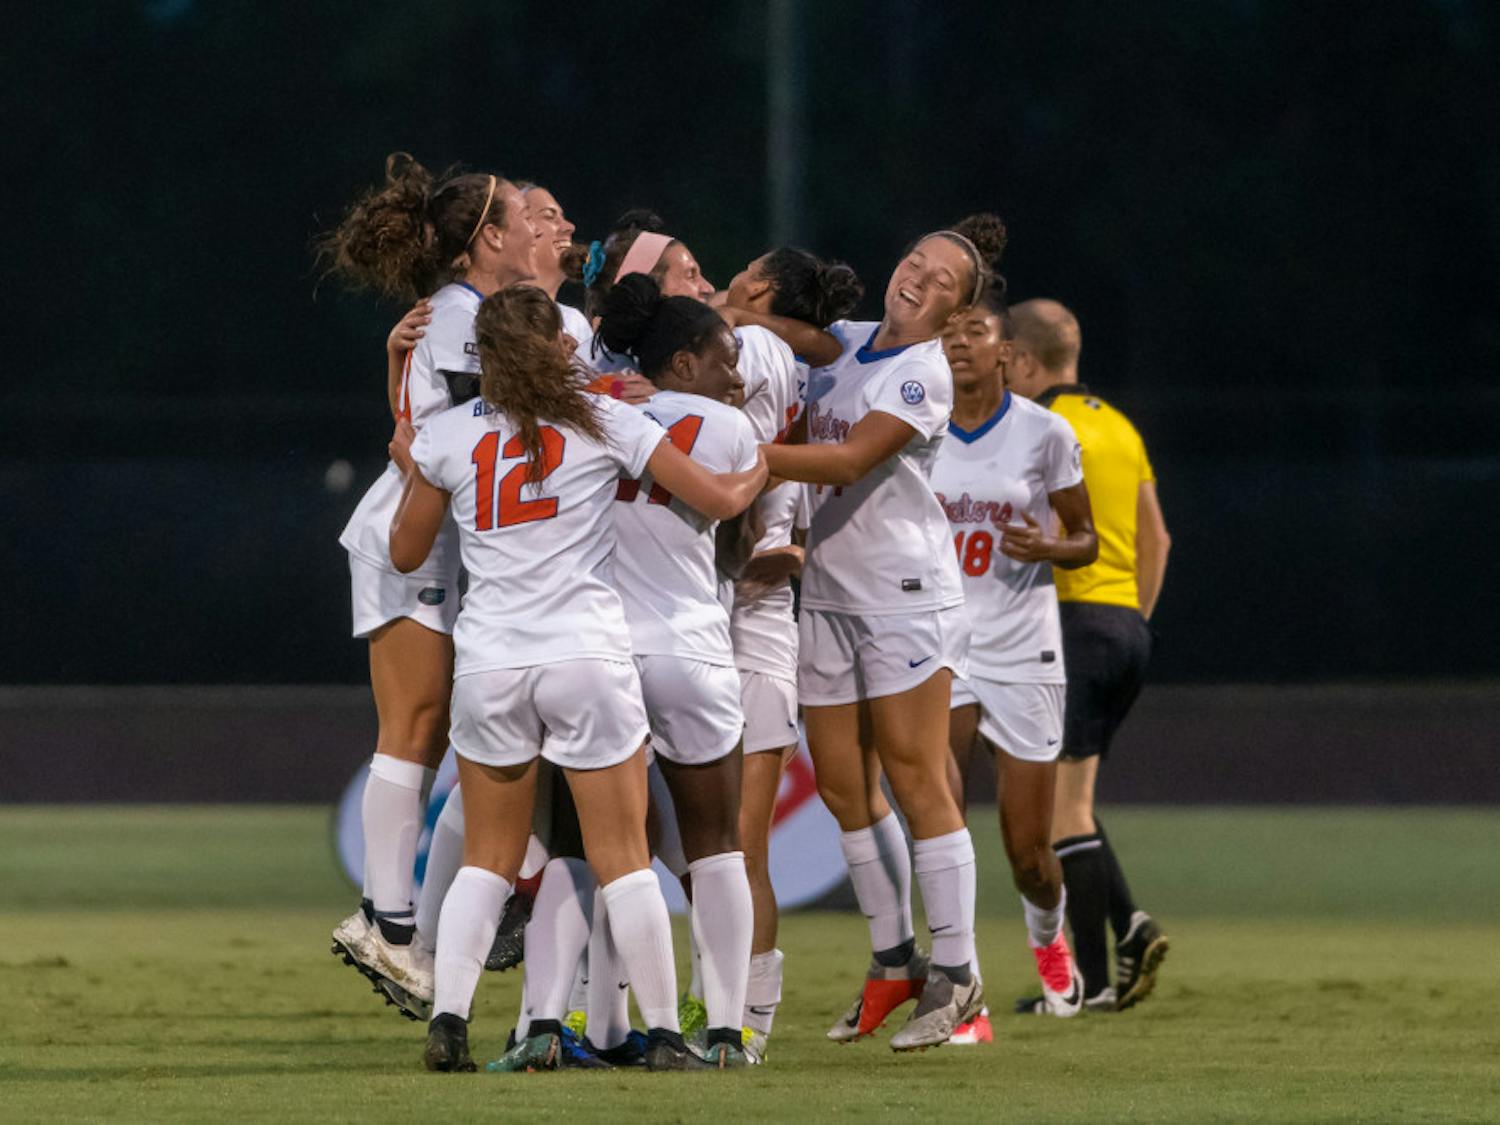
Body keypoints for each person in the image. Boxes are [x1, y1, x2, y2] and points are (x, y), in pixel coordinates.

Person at [387, 285, 766, 1071]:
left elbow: (404, 549)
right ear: (561, 348)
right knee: (624, 852)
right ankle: (664, 1032)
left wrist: (412, 451)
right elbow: (719, 498)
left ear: (481, 358)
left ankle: (450, 1019)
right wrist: (760, 465)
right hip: (586, 654)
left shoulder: (449, 434)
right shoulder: (603, 418)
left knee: (488, 856)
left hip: (490, 660)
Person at [760, 216, 1008, 1051]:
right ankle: (893, 960)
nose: (918, 279)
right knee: (839, 785)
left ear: (956, 314)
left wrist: (733, 451)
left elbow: (843, 460)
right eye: (915, 261)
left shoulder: (923, 375)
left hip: (905, 597)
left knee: (916, 777)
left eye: (941, 281)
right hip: (828, 592)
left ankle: (960, 974)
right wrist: (723, 314)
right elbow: (801, 336)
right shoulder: (856, 339)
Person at [319, 152, 540, 1019]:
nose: (532, 228)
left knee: (448, 729)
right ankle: (388, 920)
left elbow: (422, 427)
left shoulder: (464, 314)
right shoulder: (456, 319)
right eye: (521, 216)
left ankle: (430, 915)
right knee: (412, 725)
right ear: (486, 238)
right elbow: (433, 447)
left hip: (438, 541)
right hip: (405, 539)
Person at [591, 272, 762, 1068]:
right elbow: (735, 544)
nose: (738, 375)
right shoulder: (726, 425)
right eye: (725, 358)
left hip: (605, 652)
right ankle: (726, 1030)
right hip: (691, 646)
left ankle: (600, 1025)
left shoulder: (595, 412)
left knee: (611, 850)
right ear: (684, 362)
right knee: (717, 845)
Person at [930, 283, 1098, 1038]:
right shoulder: (917, 428)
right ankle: (961, 989)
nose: (960, 343)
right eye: (950, 333)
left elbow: (1086, 537)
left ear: (1006, 351)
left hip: (1024, 649)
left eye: (976, 331)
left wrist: (1051, 547)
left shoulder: (1043, 433)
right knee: (941, 823)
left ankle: (1049, 941)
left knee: (1029, 849)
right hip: (942, 648)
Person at [1003, 297, 1172, 1012]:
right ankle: (1129, 923)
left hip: (1069, 625)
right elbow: (1157, 540)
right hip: (1127, 628)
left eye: (1006, 359)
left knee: (1061, 818)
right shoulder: (1119, 424)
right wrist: (1130, 620)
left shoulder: (1041, 427)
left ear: (1030, 362)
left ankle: (1092, 985)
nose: (1000, 372)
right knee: (1076, 802)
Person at [715, 247, 863, 1062]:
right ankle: (730, 1018)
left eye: (740, 272)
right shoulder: (774, 348)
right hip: (738, 617)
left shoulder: (757, 352)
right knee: (729, 842)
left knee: (735, 843)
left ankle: (745, 1021)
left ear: (762, 288)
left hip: (748, 615)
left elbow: (776, 541)